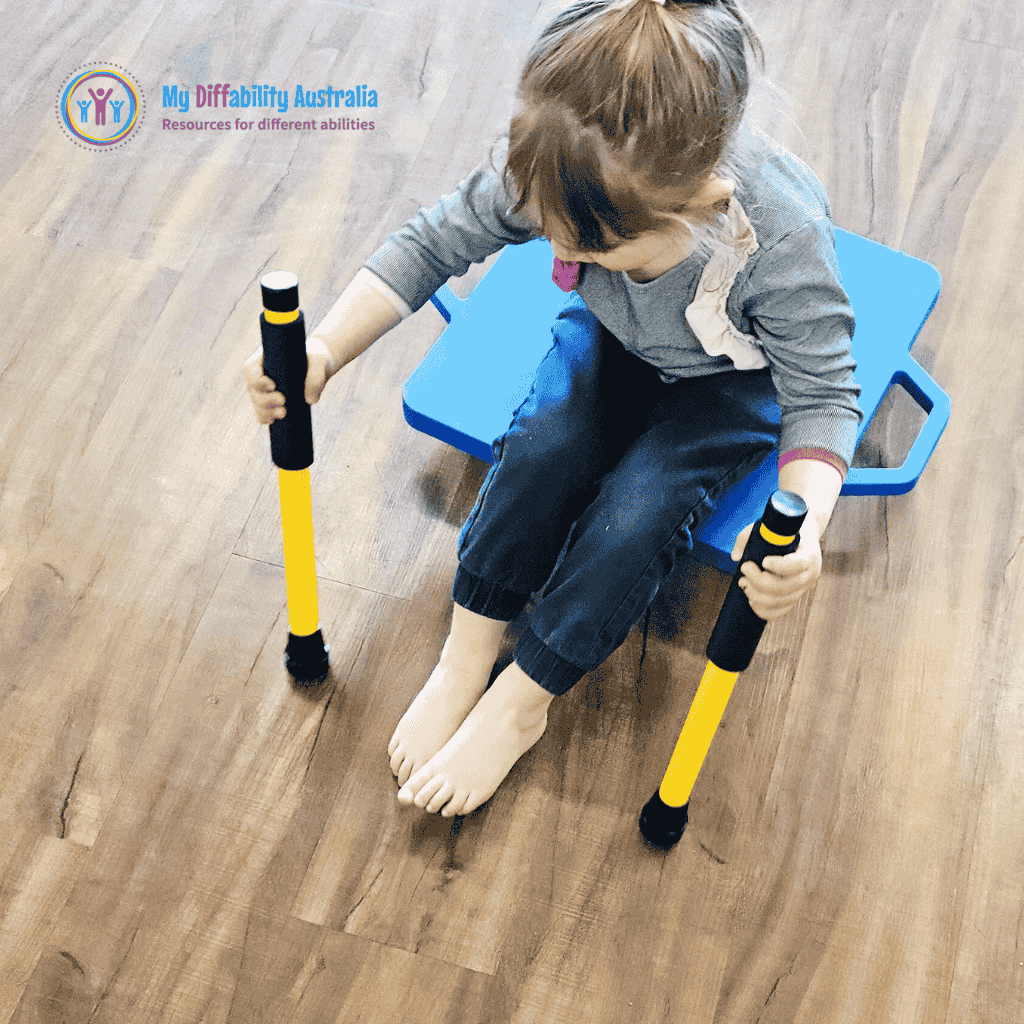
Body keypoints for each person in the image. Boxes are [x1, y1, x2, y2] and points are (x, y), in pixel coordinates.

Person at [243, 0, 862, 820]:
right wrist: (323, 348)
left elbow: (823, 393)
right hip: (613, 337)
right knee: (542, 443)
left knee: (640, 511)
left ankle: (523, 698)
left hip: (730, 380)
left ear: (702, 205)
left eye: (589, 248)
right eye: (549, 234)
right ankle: (468, 653)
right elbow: (431, 242)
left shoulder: (780, 241)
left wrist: (806, 529)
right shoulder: (560, 162)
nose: (561, 256)